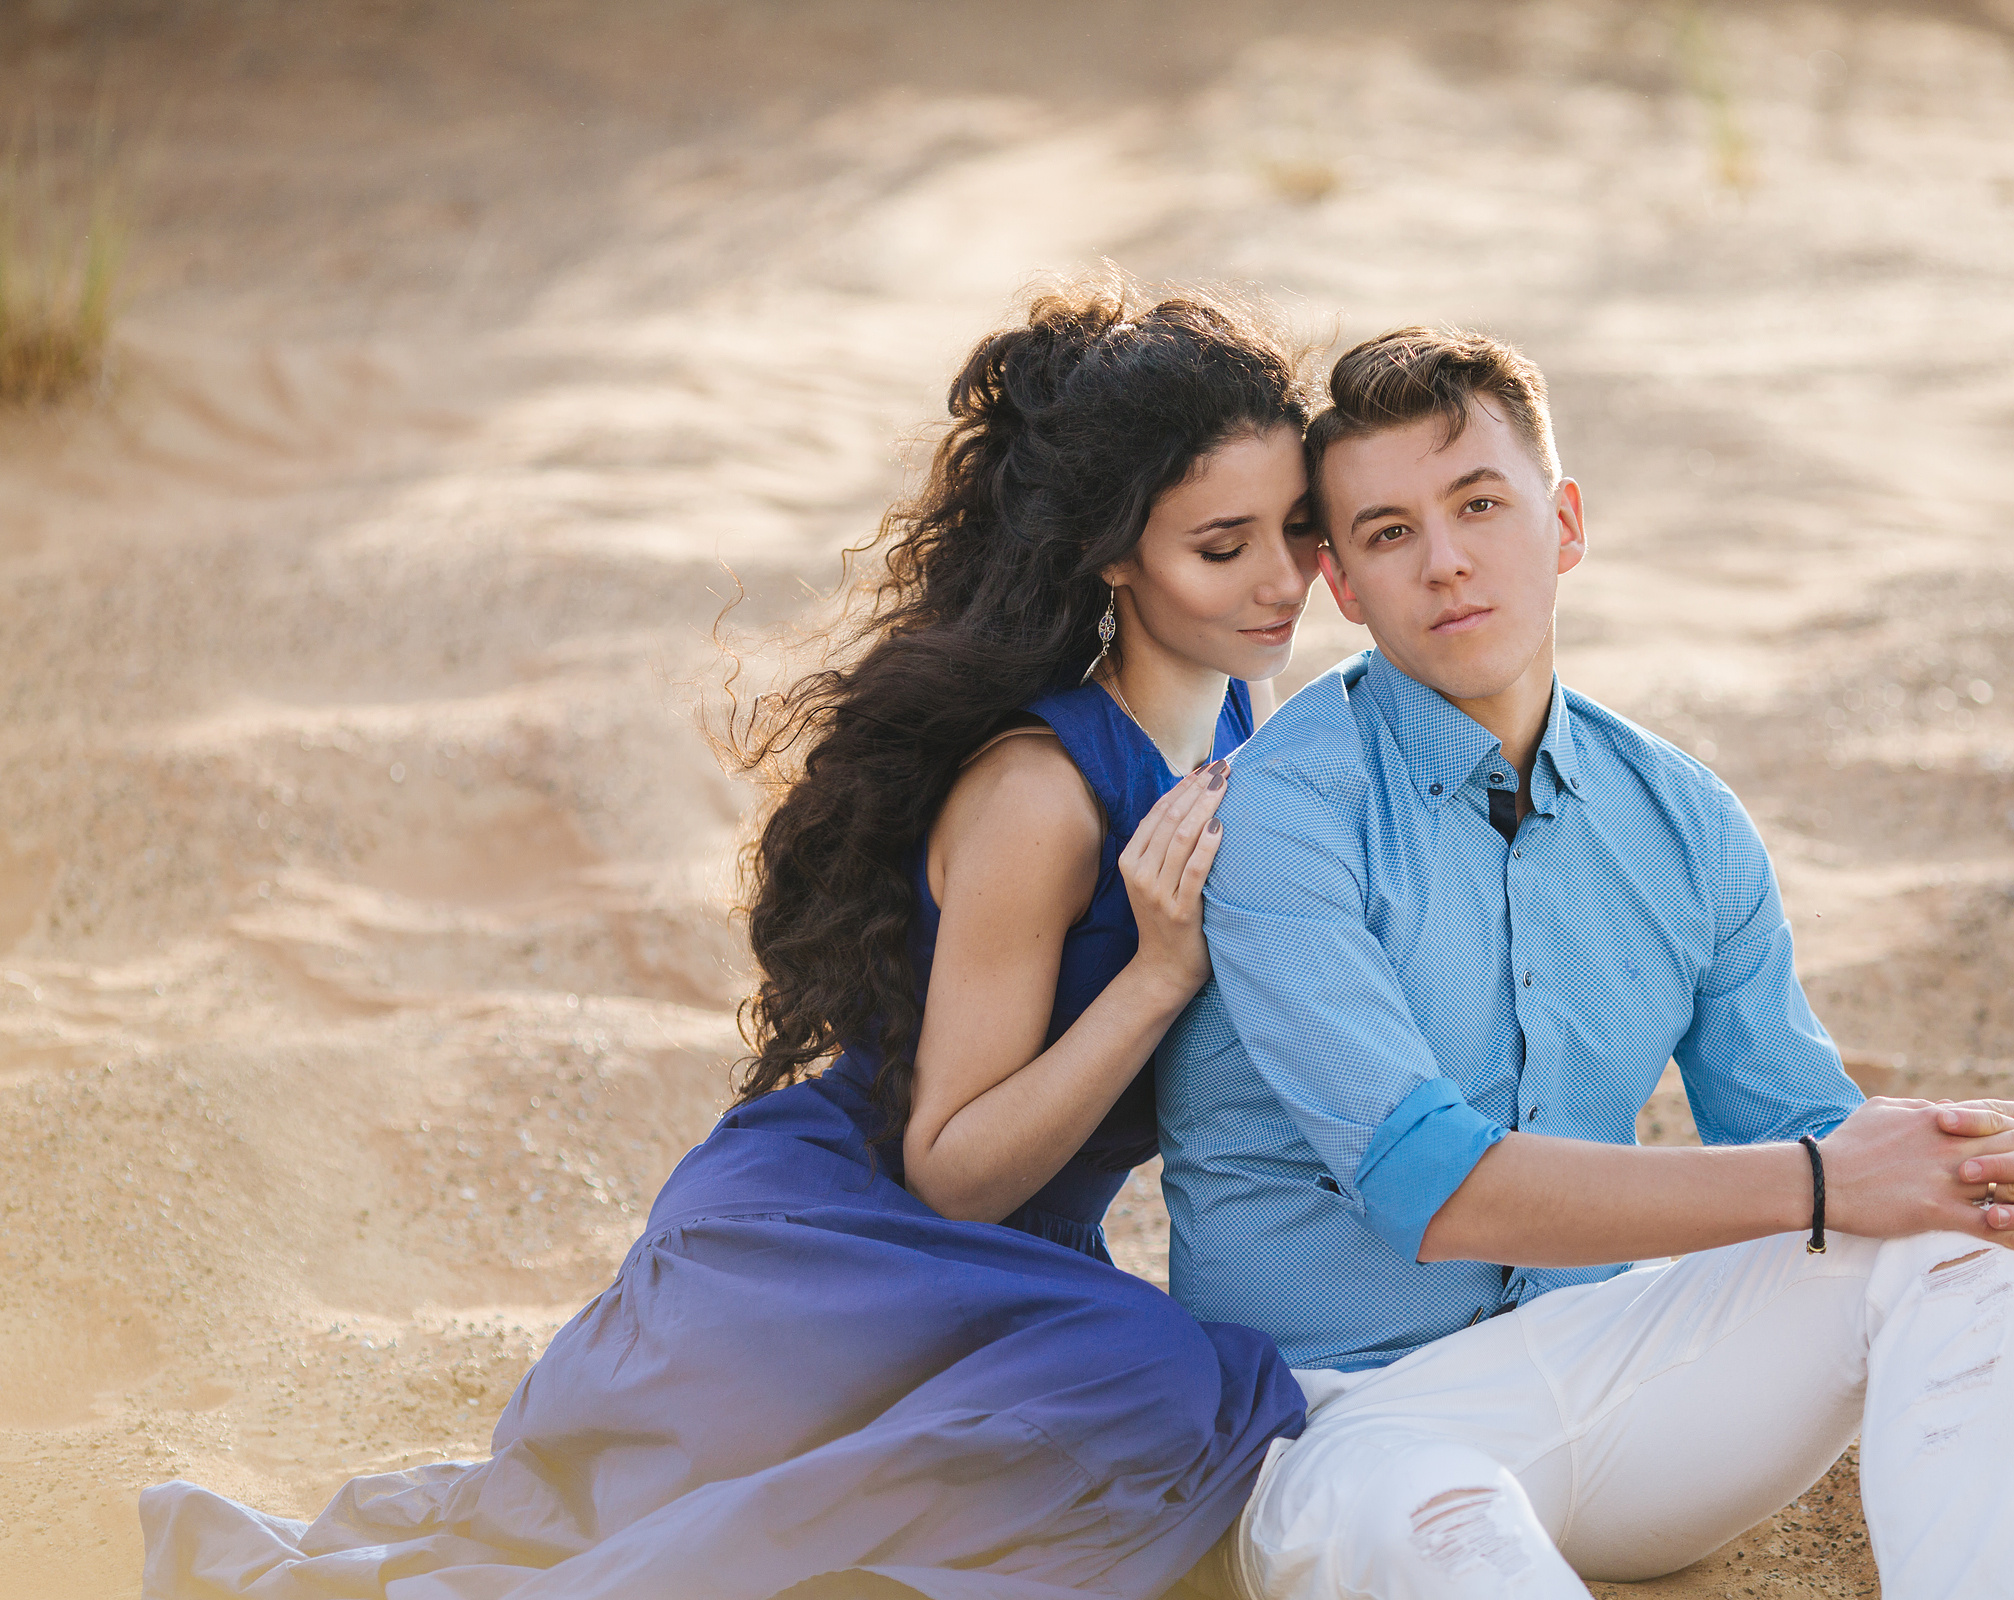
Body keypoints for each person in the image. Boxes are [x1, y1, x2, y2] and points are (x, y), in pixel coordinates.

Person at [140, 280, 1320, 1600]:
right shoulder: (1040, 796)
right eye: (1224, 547)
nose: (1282, 581)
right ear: (1112, 553)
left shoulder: (1242, 715)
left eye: (1301, 528)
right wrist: (1158, 976)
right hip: (829, 1257)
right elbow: (951, 1172)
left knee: (1196, 1392)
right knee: (1182, 1384)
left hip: (996, 1289)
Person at [1155, 327, 2014, 1600]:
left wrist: (1948, 1164)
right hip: (1344, 1430)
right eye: (1387, 531)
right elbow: (1429, 1186)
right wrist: (1827, 1172)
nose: (1448, 560)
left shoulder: (1685, 820)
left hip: (1616, 1385)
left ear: (1565, 522)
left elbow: (1805, 1134)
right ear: (1344, 584)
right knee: (1448, 1522)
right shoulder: (1284, 814)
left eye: (1479, 503)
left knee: (1950, 1231)